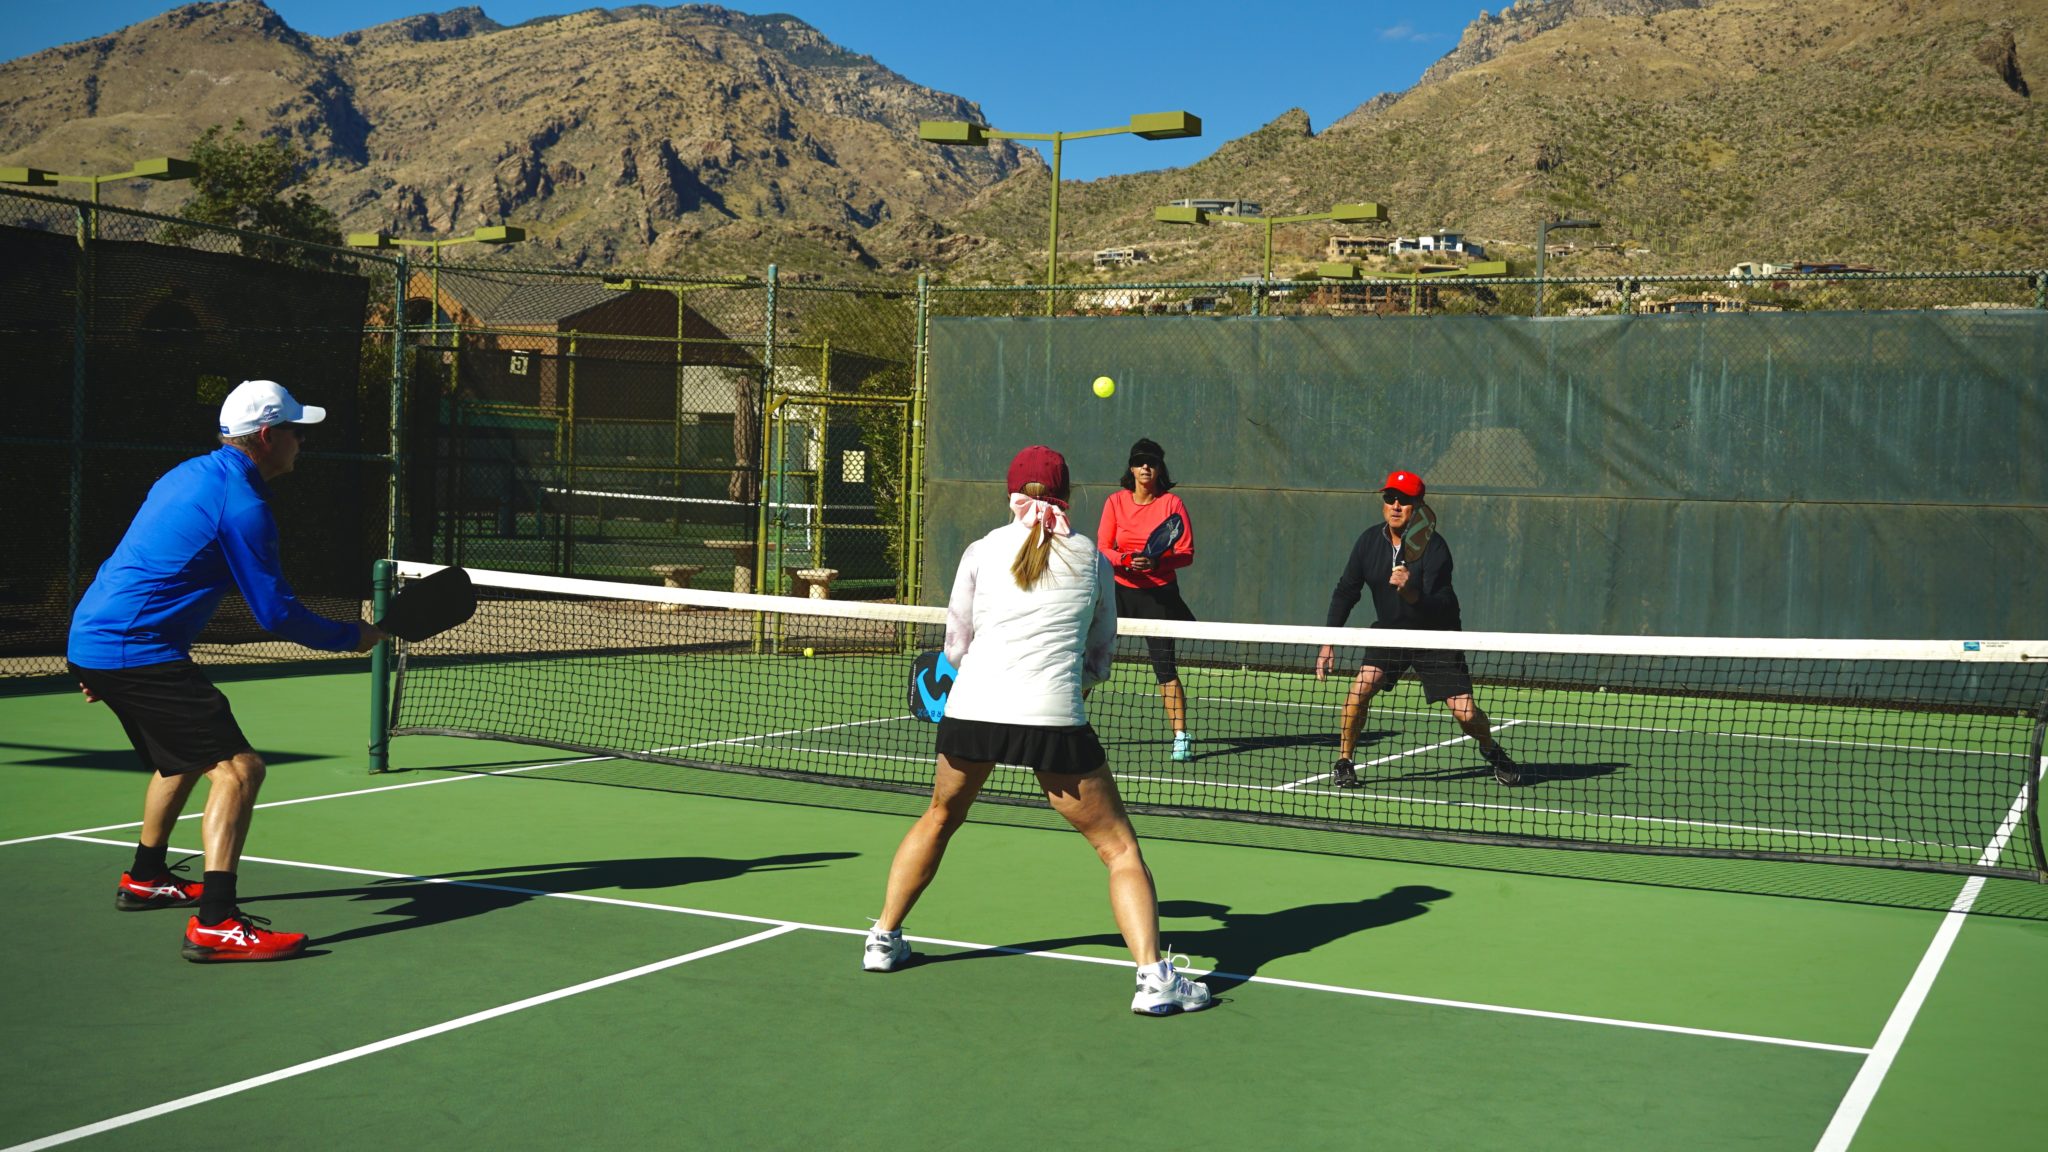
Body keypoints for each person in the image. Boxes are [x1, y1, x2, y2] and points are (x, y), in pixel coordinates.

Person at [862, 445, 1212, 1016]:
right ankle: (1154, 980)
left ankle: (882, 938)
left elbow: (956, 643)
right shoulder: (1094, 559)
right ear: (1068, 496)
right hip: (1052, 718)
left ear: (1011, 494)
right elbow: (1101, 650)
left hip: (972, 713)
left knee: (939, 816)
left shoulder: (980, 550)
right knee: (1119, 848)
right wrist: (1084, 681)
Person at [67, 379, 385, 962]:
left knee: (185, 756)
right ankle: (216, 922)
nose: (300, 443)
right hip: (133, 647)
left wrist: (92, 656)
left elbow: (134, 563)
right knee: (239, 770)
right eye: (295, 431)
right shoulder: (244, 507)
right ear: (266, 437)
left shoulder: (186, 474)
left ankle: (146, 878)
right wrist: (353, 636)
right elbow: (275, 614)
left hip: (101, 635)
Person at [1313, 469, 1519, 788]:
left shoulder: (1435, 548)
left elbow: (1445, 604)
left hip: (1435, 636)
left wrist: (1412, 593)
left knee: (1465, 713)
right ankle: (1345, 761)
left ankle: (1492, 751)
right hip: (1390, 632)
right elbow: (1346, 591)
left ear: (1418, 506)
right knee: (1359, 691)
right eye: (1389, 498)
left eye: (1404, 500)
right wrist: (1328, 642)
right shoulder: (1369, 542)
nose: (1395, 505)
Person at [1096, 438, 1198, 761]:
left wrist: (1156, 563)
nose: (1145, 468)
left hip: (1158, 594)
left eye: (1151, 463)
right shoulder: (1115, 502)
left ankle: (1181, 736)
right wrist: (1126, 561)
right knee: (1092, 657)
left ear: (1159, 468)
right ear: (1131, 467)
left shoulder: (1172, 505)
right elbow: (1102, 548)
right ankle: (1069, 725)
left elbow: (1186, 553)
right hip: (1120, 591)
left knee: (1164, 666)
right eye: (1139, 462)